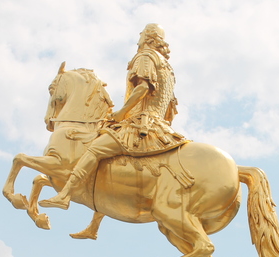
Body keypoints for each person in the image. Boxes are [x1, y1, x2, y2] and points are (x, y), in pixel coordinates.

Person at [39, 23, 188, 210]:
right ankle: (94, 220)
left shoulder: (145, 57)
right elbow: (170, 108)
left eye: (141, 34)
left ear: (147, 37)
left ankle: (64, 195)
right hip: (161, 128)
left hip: (140, 125)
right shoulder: (168, 69)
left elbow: (142, 88)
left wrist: (122, 112)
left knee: (94, 150)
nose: (139, 39)